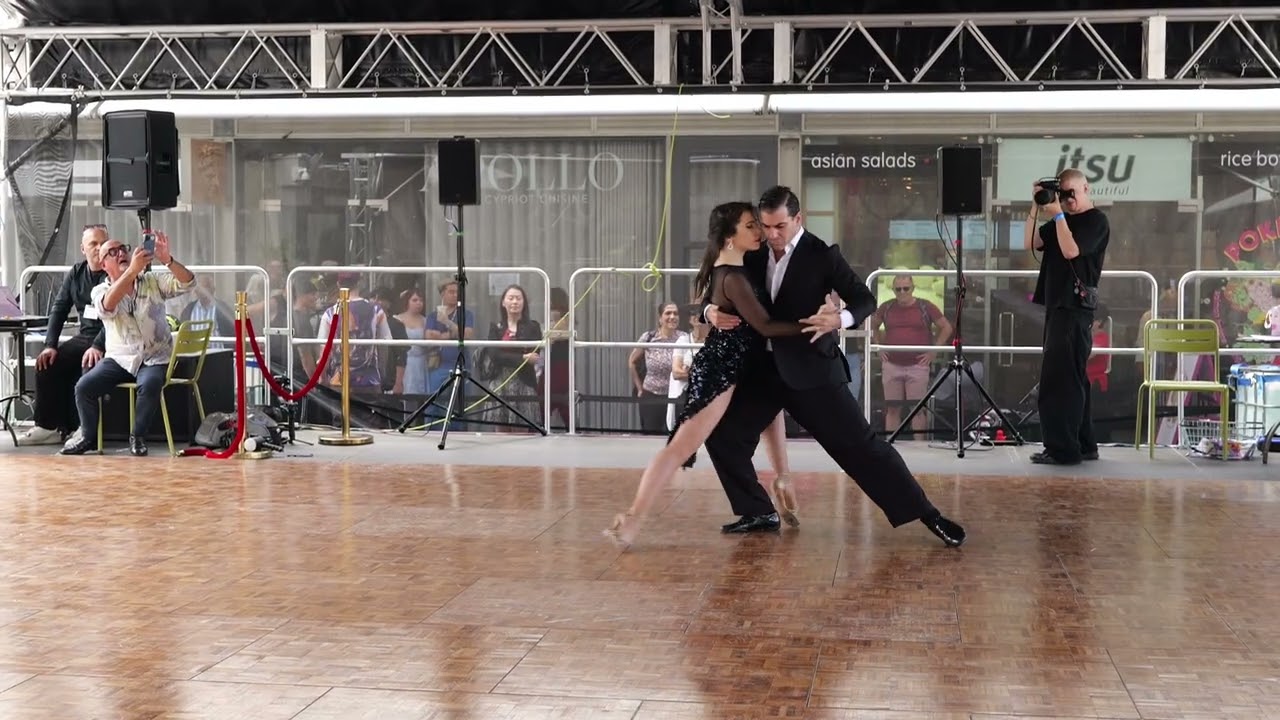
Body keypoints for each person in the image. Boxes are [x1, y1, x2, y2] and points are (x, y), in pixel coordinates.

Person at [703, 186, 965, 547]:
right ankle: (758, 511)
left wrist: (838, 319)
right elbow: (715, 288)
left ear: (798, 219)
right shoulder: (752, 251)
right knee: (723, 436)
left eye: (780, 226)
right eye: (765, 227)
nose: (772, 235)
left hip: (812, 370)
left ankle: (927, 514)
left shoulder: (822, 255)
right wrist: (710, 312)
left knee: (862, 449)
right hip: (763, 369)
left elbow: (865, 299)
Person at [605, 201, 810, 545]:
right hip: (721, 371)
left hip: (749, 364)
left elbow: (711, 304)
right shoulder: (732, 275)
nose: (759, 232)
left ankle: (781, 481)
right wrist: (818, 325)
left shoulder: (739, 265)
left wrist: (708, 310)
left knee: (769, 412)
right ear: (730, 237)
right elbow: (765, 325)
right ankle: (633, 519)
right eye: (750, 226)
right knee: (679, 447)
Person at [60, 232, 196, 457]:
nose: (121, 253)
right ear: (104, 264)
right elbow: (106, 307)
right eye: (112, 252)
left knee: (150, 384)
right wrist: (132, 271)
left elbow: (188, 283)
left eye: (123, 248)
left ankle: (138, 436)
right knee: (84, 387)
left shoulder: (152, 281)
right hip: (119, 359)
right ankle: (87, 436)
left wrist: (168, 260)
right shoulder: (100, 290)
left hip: (155, 356)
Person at [1024, 168, 1110, 465]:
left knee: (1058, 380)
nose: (1067, 200)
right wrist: (1036, 206)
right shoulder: (1063, 219)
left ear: (1086, 188)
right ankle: (1085, 444)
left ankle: (1063, 449)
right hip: (1057, 305)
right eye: (1063, 194)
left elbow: (1072, 250)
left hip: (1075, 308)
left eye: (1072, 193)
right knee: (1074, 378)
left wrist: (1058, 215)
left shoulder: (1096, 221)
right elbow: (1032, 243)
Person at [18, 225, 108, 446]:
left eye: (102, 243)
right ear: (83, 249)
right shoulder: (76, 273)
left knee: (88, 366)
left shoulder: (116, 273)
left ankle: (83, 430)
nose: (98, 249)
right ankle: (48, 427)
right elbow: (58, 310)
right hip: (84, 337)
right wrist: (50, 345)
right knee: (47, 363)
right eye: (92, 244)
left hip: (110, 338)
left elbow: (120, 317)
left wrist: (97, 346)